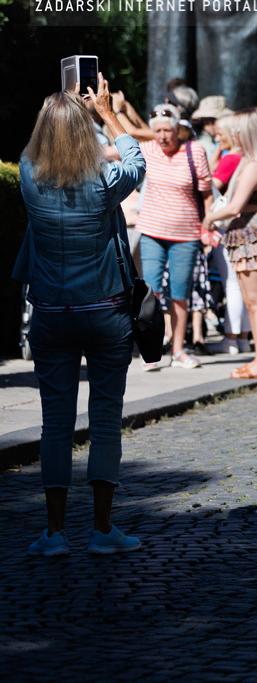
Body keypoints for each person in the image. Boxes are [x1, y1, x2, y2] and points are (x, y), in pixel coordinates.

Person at [15, 74, 144, 555]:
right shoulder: (104, 184)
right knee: (106, 419)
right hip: (104, 308)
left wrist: (68, 109)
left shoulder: (29, 173)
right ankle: (103, 529)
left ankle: (53, 532)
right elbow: (135, 159)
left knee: (55, 424)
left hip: (50, 310)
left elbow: (42, 150)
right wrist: (107, 114)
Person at [203, 109, 257, 379]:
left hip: (253, 238)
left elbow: (234, 206)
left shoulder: (253, 166)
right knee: (254, 302)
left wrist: (210, 217)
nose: (233, 134)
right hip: (254, 237)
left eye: (238, 130)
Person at [137, 102, 213, 370]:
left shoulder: (195, 152)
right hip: (152, 233)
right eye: (157, 131)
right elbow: (114, 148)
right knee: (151, 293)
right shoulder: (147, 149)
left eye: (167, 130)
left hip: (186, 235)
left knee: (181, 293)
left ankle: (179, 349)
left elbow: (207, 193)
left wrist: (208, 226)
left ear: (178, 129)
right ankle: (153, 350)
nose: (162, 136)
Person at [207, 113, 251, 355]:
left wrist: (217, 151)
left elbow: (210, 181)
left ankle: (230, 338)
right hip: (242, 226)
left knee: (232, 284)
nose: (217, 137)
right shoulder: (245, 157)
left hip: (225, 227)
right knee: (241, 285)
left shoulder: (231, 158)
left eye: (220, 134)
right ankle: (242, 338)